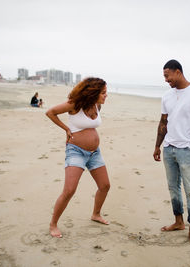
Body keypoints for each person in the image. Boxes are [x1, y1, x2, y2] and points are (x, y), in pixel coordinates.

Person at [153, 59, 190, 245]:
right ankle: (178, 222)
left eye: (167, 75)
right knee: (173, 187)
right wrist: (157, 146)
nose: (166, 80)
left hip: (188, 150)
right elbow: (163, 123)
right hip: (169, 148)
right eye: (164, 76)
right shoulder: (167, 96)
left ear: (178, 72)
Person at [45, 77, 110, 238]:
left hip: (95, 153)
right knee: (69, 190)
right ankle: (53, 224)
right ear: (93, 93)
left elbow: (90, 125)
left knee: (105, 185)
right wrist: (66, 129)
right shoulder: (75, 104)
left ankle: (96, 214)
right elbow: (50, 112)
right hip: (76, 151)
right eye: (103, 93)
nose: (106, 95)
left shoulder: (97, 105)